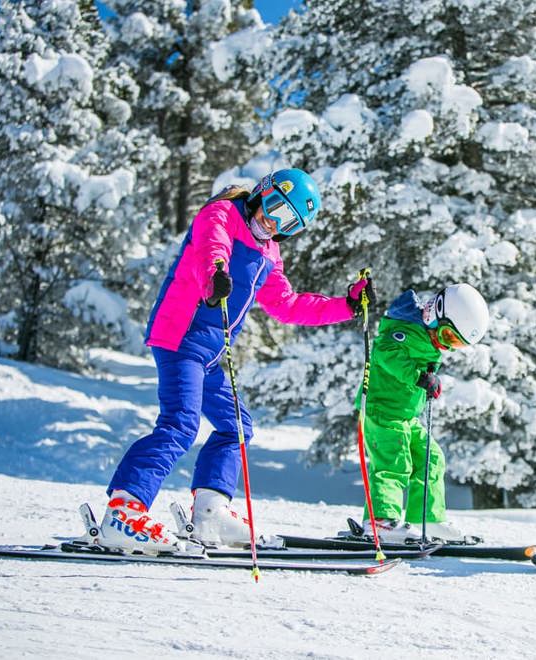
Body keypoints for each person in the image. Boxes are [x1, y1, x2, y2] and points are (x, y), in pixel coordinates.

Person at [99, 168, 374, 553]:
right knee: (180, 424)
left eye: (287, 222)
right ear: (262, 193)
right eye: (274, 207)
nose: (272, 222)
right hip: (181, 337)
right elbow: (210, 248)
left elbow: (287, 305)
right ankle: (123, 512)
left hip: (209, 355)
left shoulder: (268, 253)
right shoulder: (223, 214)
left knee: (237, 428)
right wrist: (215, 275)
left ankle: (211, 511)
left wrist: (346, 306)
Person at [356, 283, 489, 543]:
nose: (448, 345)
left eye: (456, 344)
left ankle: (426, 518)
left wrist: (427, 382)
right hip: (381, 411)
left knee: (431, 457)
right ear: (434, 313)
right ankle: (381, 521)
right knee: (393, 464)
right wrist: (419, 377)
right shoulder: (404, 332)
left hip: (405, 415)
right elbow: (385, 353)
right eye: (449, 336)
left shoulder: (428, 339)